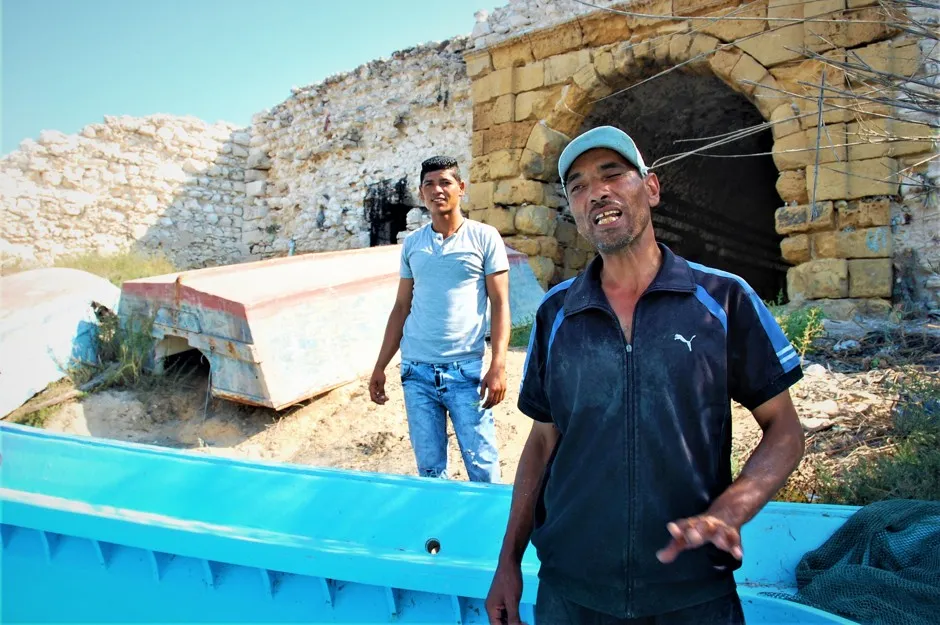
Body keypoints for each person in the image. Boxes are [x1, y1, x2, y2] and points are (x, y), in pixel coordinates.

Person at [484, 126, 806, 624]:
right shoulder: (556, 313)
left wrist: (730, 511)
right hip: (571, 590)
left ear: (651, 188)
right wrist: (508, 561)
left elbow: (785, 430)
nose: (597, 192)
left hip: (693, 590)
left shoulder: (723, 300)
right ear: (574, 212)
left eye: (612, 174)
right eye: (578, 186)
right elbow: (543, 443)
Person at [369, 155, 511, 483]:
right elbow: (401, 307)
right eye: (429, 184)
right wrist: (380, 365)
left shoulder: (485, 237)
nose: (437, 190)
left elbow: (501, 303)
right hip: (416, 373)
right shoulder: (413, 244)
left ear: (461, 187)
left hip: (466, 372)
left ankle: (488, 520)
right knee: (430, 473)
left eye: (445, 182)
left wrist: (498, 365)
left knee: (484, 469)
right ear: (421, 193)